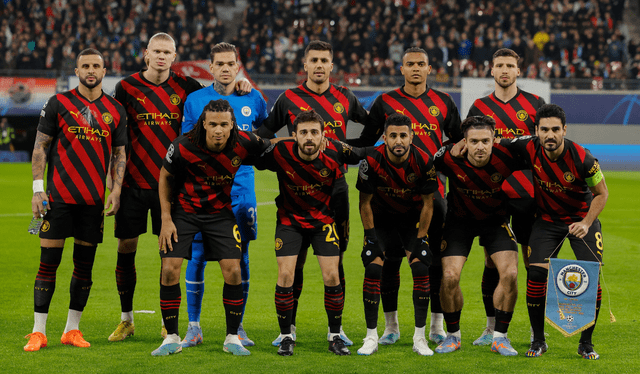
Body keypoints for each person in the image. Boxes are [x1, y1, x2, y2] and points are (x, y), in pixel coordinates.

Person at [256, 40, 370, 346]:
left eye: (324, 60)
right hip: (296, 189)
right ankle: (288, 328)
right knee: (295, 263)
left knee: (335, 261)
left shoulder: (345, 97)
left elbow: (370, 127)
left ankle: (337, 328)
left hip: (334, 189)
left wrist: (352, 150)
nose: (319, 65)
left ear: (332, 66)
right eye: (314, 60)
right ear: (304, 65)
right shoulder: (288, 98)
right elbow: (264, 134)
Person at [352, 46, 462, 346]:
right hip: (387, 198)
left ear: (430, 69)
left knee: (434, 262)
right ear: (401, 69)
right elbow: (365, 143)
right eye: (410, 64)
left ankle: (437, 326)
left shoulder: (444, 101)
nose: (415, 68)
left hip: (430, 195)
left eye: (421, 64)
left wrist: (446, 162)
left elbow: (459, 143)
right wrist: (332, 147)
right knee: (389, 262)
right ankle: (391, 327)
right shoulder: (385, 101)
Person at [24, 48, 127, 352]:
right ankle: (38, 331)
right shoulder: (59, 103)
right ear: (77, 69)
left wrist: (116, 190)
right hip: (57, 199)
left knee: (84, 267)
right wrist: (37, 189)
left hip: (92, 202)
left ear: (104, 71)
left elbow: (120, 154)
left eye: (96, 66)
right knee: (48, 264)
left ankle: (72, 329)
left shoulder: (115, 109)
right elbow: (40, 146)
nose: (91, 70)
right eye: (85, 66)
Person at [154, 99, 272, 356]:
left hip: (220, 214)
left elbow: (272, 145)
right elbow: (165, 176)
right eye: (213, 125)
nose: (218, 130)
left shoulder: (244, 141)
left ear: (233, 126)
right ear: (203, 124)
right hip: (184, 212)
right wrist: (166, 218)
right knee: (169, 269)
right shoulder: (183, 146)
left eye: (224, 125)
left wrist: (297, 140)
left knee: (233, 270)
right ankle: (172, 337)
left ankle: (232, 337)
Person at [108, 32, 204, 342]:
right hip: (133, 184)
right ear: (146, 54)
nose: (162, 56)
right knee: (126, 249)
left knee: (170, 257)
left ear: (175, 56)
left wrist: (240, 86)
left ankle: (168, 321)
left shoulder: (187, 87)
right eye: (157, 51)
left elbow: (218, 99)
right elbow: (115, 140)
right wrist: (114, 185)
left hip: (173, 189)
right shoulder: (125, 87)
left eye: (168, 52)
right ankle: (126, 319)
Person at [499, 104, 608, 360]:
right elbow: (497, 141)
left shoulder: (584, 159)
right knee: (536, 273)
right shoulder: (528, 146)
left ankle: (586, 343)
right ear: (536, 130)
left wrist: (586, 222)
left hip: (581, 220)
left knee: (591, 276)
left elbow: (602, 194)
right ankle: (538, 340)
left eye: (555, 129)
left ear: (564, 130)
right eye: (544, 129)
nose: (550, 135)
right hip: (547, 221)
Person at [180, 42, 267, 348]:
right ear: (211, 67)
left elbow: (263, 138)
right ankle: (194, 326)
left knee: (241, 257)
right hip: (203, 192)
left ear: (237, 66)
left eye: (232, 63)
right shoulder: (195, 100)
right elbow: (186, 143)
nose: (227, 68)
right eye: (221, 63)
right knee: (198, 256)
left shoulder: (252, 97)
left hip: (242, 192)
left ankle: (238, 325)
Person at [466, 48, 546, 346]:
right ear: (491, 70)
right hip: (493, 194)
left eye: (509, 66)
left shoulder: (535, 104)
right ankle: (491, 328)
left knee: (531, 264)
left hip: (527, 194)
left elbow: (542, 144)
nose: (504, 70)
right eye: (499, 65)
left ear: (518, 70)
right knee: (491, 261)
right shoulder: (479, 105)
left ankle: (536, 330)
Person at [432, 116, 521, 356]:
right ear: (465, 142)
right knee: (449, 276)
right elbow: (427, 162)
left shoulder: (508, 155)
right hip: (459, 222)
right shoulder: (449, 157)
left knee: (511, 273)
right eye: (474, 141)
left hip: (495, 221)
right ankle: (453, 336)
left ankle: (500, 337)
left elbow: (537, 146)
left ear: (494, 140)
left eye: (485, 141)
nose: (480, 146)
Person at [355, 113, 439, 356]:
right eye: (393, 136)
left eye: (403, 135)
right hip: (381, 220)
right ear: (385, 138)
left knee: (421, 267)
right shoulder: (371, 161)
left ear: (411, 137)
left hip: (411, 221)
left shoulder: (423, 160)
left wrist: (422, 238)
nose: (398, 140)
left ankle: (420, 338)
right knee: (373, 267)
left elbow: (428, 204)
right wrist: (370, 237)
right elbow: (364, 203)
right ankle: (372, 336)